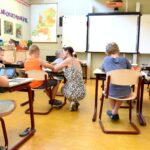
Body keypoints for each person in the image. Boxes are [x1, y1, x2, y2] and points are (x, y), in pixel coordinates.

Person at [101, 42, 132, 120]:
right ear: (117, 50)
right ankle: (114, 112)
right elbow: (131, 71)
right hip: (126, 91)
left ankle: (114, 112)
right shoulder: (125, 60)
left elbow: (102, 68)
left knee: (109, 89)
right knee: (121, 92)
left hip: (110, 91)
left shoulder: (105, 59)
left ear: (107, 51)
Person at [52, 46, 86, 111]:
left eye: (63, 52)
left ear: (67, 52)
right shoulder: (75, 59)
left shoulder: (68, 60)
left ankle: (72, 101)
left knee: (63, 88)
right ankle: (75, 101)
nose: (62, 54)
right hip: (82, 91)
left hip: (74, 91)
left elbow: (55, 69)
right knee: (68, 85)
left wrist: (47, 65)